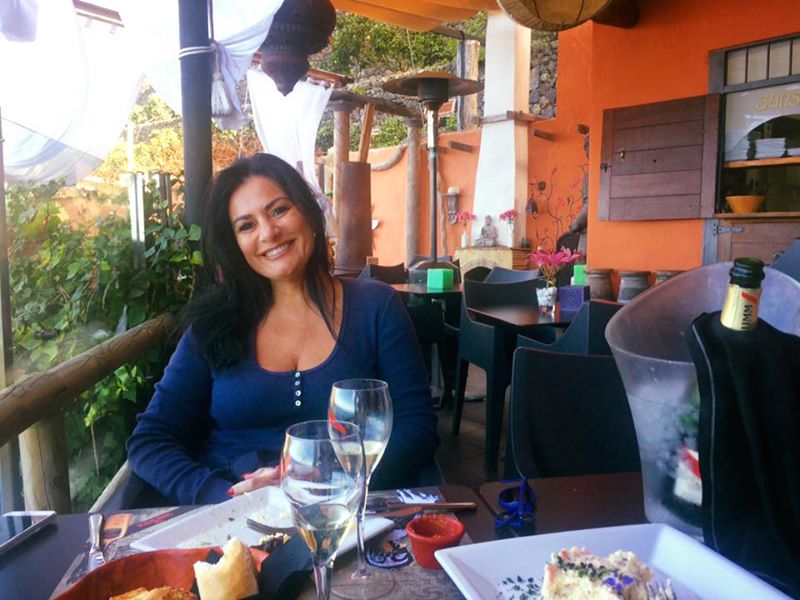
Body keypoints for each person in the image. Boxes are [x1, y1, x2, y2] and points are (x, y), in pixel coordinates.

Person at [127, 153, 438, 505]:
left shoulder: (376, 306)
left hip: (349, 511)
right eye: (246, 226)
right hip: (234, 517)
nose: (269, 233)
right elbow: (150, 441)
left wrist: (330, 483)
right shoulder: (212, 325)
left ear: (307, 212)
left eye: (278, 210)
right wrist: (223, 495)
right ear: (234, 245)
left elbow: (417, 427)